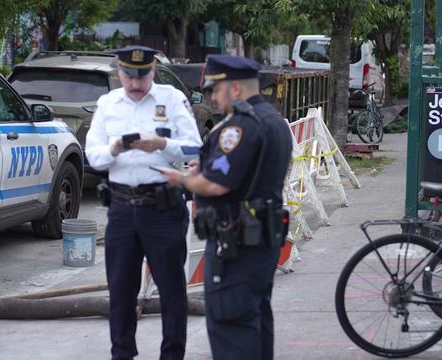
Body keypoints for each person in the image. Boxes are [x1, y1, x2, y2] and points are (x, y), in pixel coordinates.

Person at [161, 55, 292, 360]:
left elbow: (217, 185)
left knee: (231, 322)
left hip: (236, 243)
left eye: (215, 90)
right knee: (256, 317)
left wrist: (181, 179)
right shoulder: (273, 120)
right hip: (261, 239)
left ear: (234, 89)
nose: (213, 98)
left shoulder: (238, 127)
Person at [85, 45, 202, 360]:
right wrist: (115, 149)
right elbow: (92, 155)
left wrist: (163, 143)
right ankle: (121, 353)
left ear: (152, 71)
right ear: (119, 72)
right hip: (121, 207)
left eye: (142, 75)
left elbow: (195, 148)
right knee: (121, 291)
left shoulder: (171, 99)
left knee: (171, 290)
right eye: (128, 76)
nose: (135, 83)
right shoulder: (108, 103)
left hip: (162, 207)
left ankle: (172, 354)